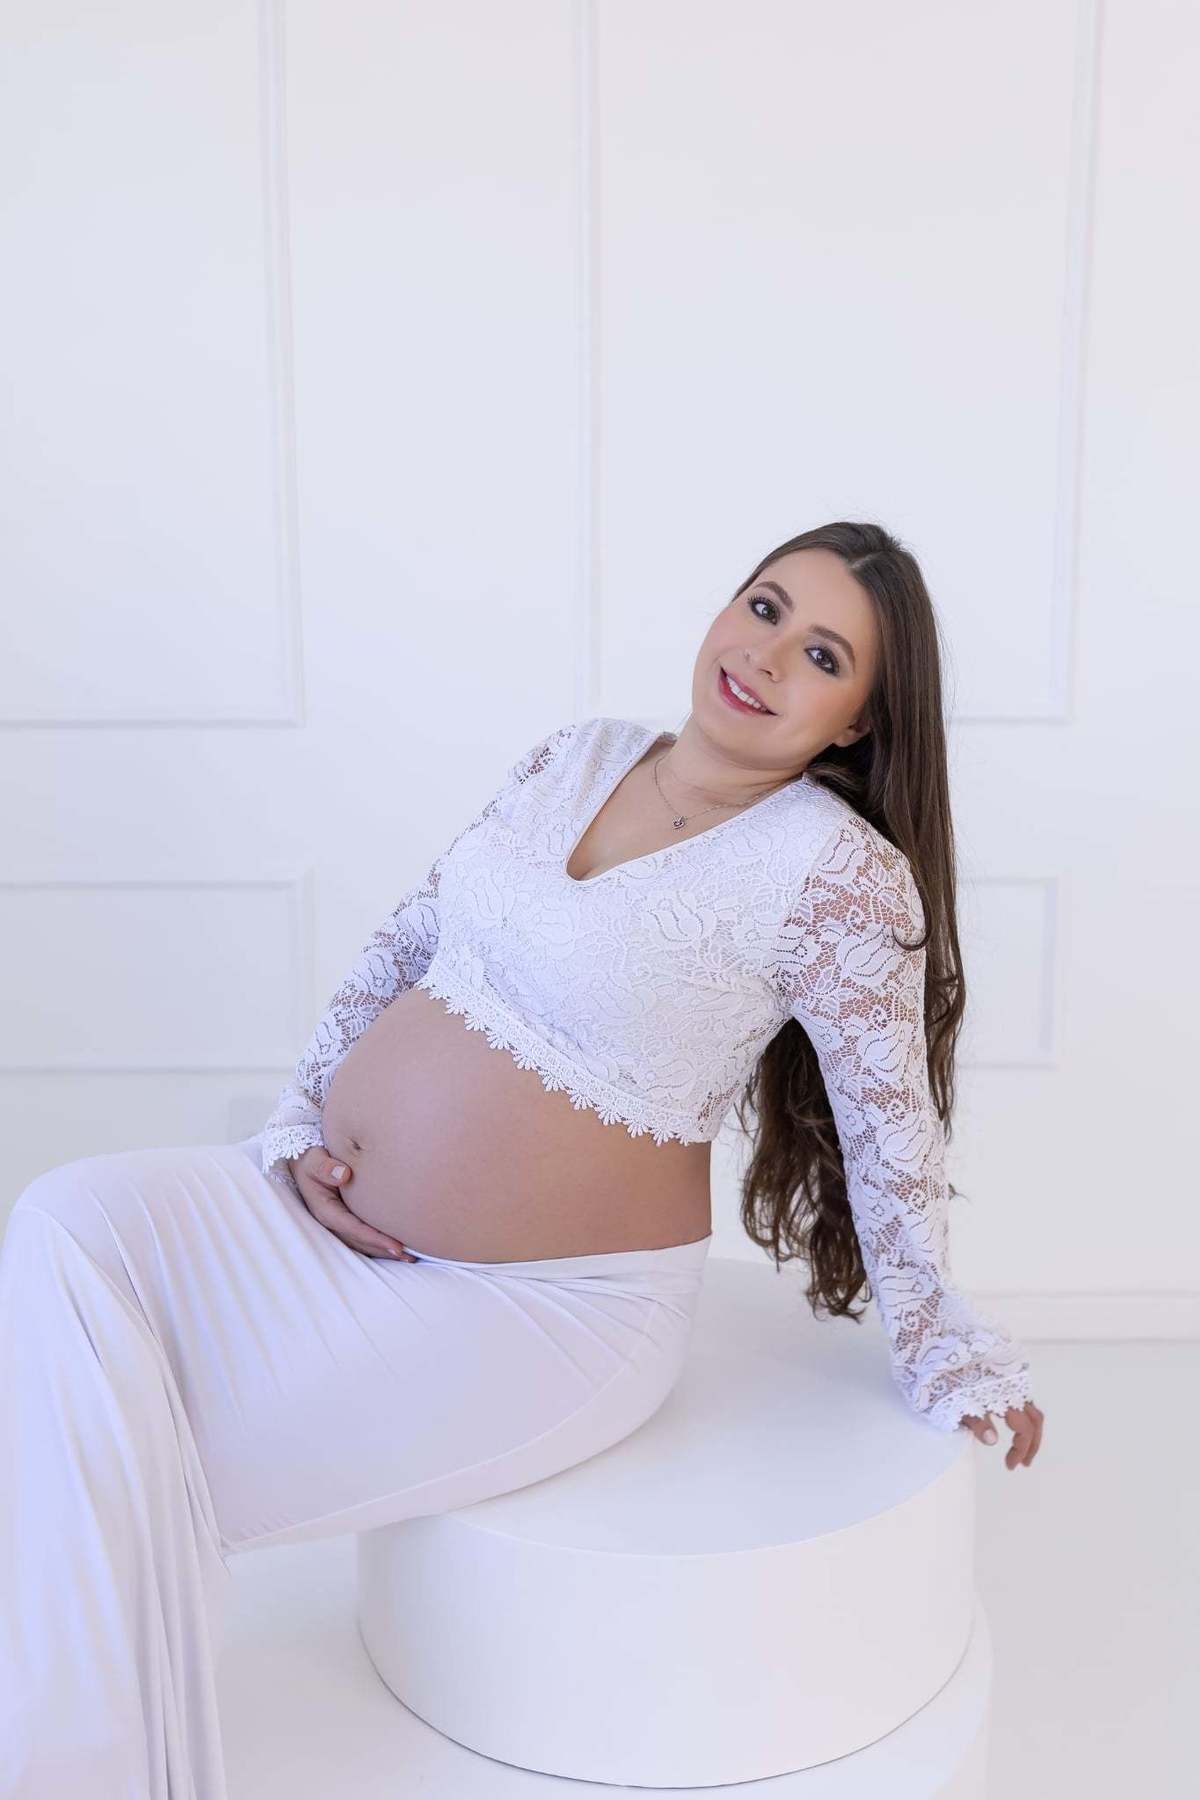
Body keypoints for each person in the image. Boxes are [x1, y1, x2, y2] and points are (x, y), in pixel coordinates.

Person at [0, 520, 1042, 1797]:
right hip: (329, 1223)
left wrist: (938, 1342)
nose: (767, 656)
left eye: (823, 655)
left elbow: (891, 1130)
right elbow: (409, 938)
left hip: (543, 1311)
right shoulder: (578, 753)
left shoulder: (835, 875)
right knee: (65, 1221)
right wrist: (301, 1122)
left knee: (106, 1469)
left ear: (857, 724)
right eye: (765, 607)